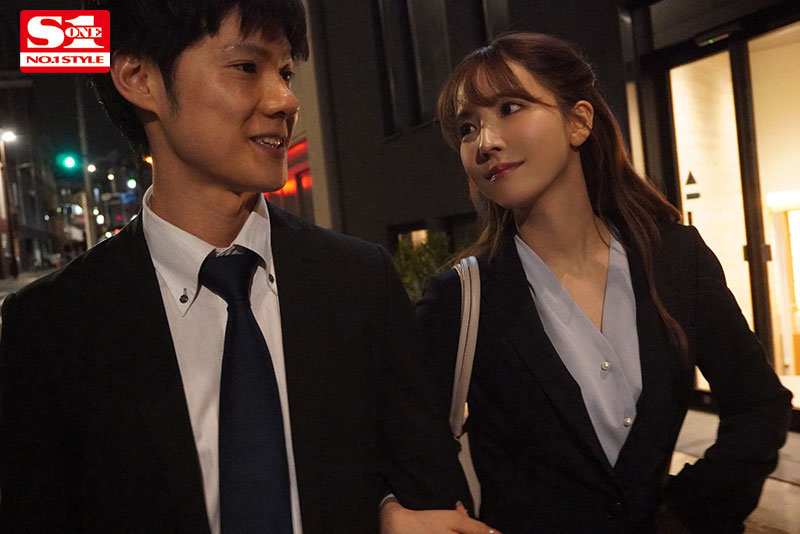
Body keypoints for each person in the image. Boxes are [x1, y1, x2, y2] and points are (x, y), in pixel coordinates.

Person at [0, 1, 495, 532]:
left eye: (285, 72)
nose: (286, 100)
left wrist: (380, 516)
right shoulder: (50, 325)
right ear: (138, 78)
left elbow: (431, 492)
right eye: (245, 67)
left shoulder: (359, 282)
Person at [417, 32, 793, 533]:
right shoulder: (461, 297)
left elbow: (759, 404)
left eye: (510, 107)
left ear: (578, 121)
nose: (485, 142)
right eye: (467, 128)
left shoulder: (674, 259)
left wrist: (687, 514)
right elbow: (410, 448)